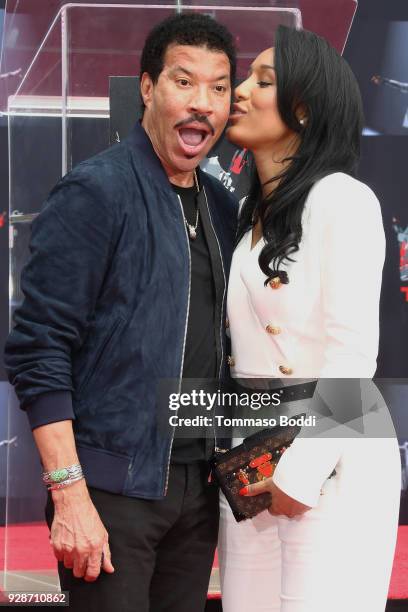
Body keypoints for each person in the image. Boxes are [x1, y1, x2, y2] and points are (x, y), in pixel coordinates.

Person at [4, 13, 238, 612]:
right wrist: (70, 494)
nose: (202, 104)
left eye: (218, 87)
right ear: (146, 88)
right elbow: (38, 347)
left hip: (197, 489)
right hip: (109, 493)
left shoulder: (218, 203)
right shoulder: (96, 191)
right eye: (184, 82)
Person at [217, 25, 401, 612]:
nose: (238, 91)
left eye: (261, 81)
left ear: (304, 106)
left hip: (331, 454)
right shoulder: (248, 209)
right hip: (252, 449)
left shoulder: (343, 198)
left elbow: (354, 358)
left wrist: (303, 470)